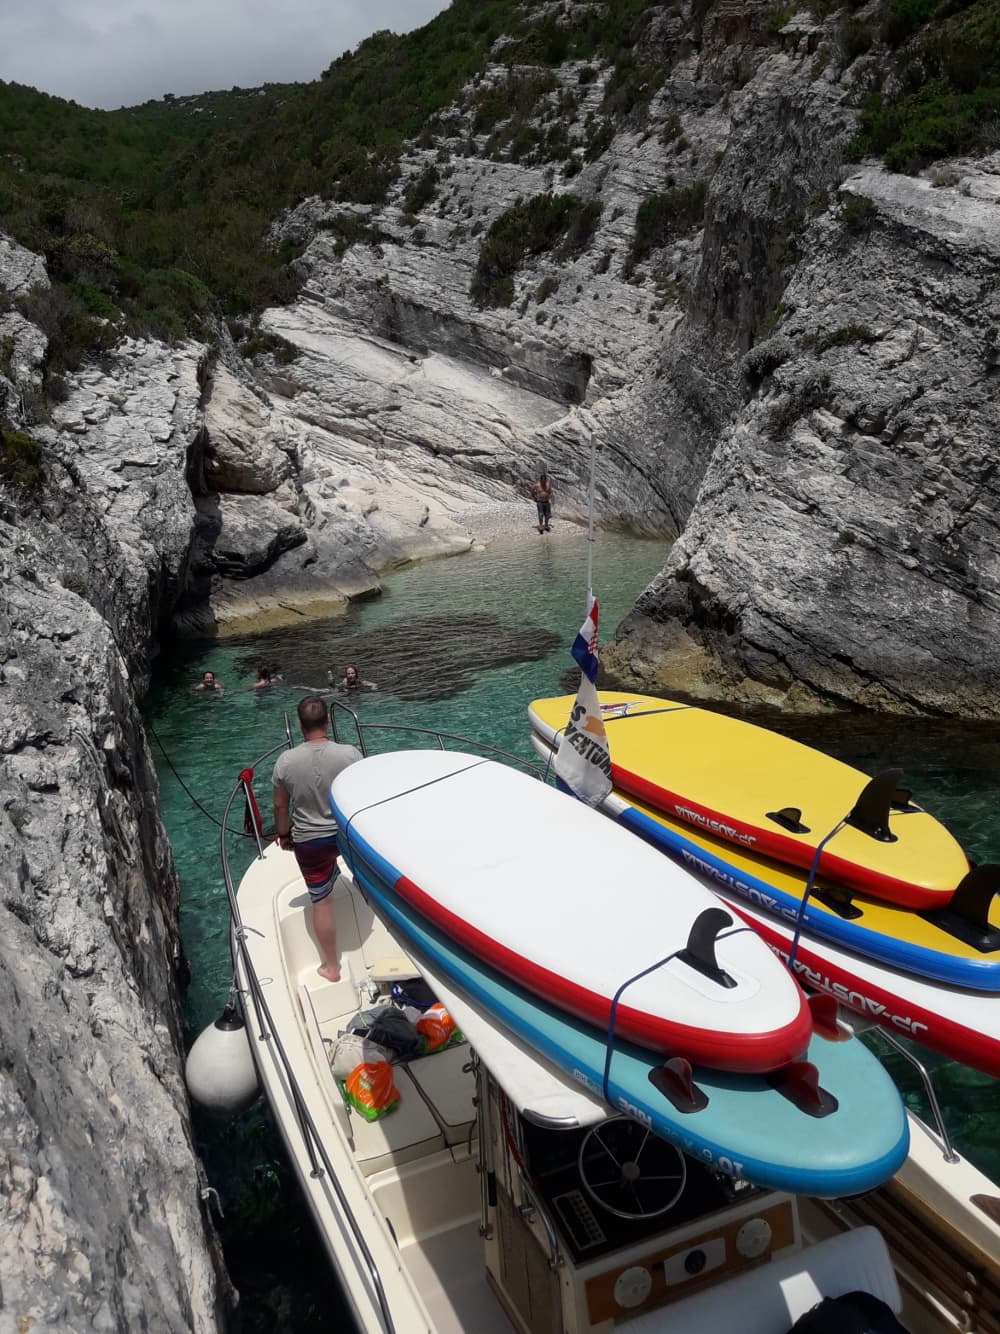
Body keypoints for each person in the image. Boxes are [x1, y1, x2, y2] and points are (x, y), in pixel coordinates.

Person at [272, 696, 362, 982]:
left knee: (321, 903)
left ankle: (332, 968)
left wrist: (285, 835)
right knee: (371, 884)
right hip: (346, 834)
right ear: (328, 721)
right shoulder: (350, 754)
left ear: (299, 725)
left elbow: (279, 806)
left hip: (310, 840)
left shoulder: (285, 761)